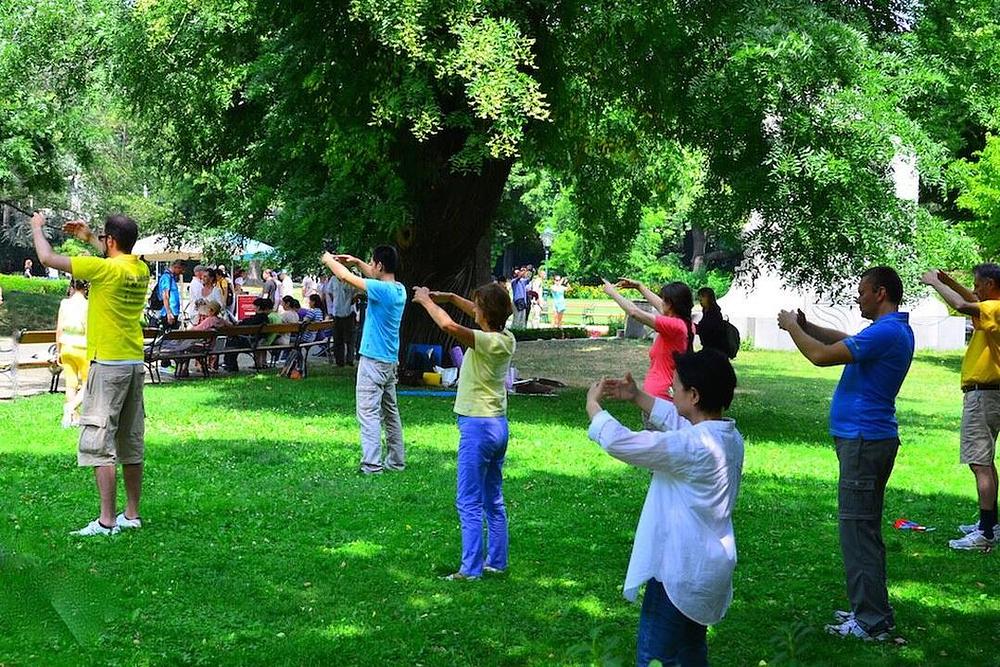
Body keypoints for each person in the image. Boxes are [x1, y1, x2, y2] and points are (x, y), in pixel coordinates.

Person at [777, 266, 913, 641]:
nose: (858, 297)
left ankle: (871, 623)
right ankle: (869, 609)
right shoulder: (890, 330)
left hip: (864, 441)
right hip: (866, 440)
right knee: (863, 528)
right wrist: (808, 325)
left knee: (858, 531)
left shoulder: (886, 331)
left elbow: (821, 356)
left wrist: (792, 328)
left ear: (880, 293)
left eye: (862, 292)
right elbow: (843, 340)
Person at [586, 350, 743, 666]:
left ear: (694, 395)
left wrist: (593, 406)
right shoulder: (728, 436)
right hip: (707, 571)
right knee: (690, 652)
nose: (672, 392)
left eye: (676, 388)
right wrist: (637, 396)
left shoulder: (692, 447)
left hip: (678, 572)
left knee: (656, 657)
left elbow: (623, 443)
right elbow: (680, 422)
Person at [30, 211, 150, 537]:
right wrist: (87, 236)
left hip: (107, 365)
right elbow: (113, 251)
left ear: (109, 241)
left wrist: (37, 227)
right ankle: (132, 514)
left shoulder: (102, 269)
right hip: (133, 364)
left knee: (100, 441)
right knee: (130, 439)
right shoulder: (140, 268)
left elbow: (46, 256)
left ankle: (106, 521)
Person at [412, 283, 516, 580]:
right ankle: (496, 562)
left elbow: (448, 325)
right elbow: (473, 311)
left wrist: (425, 301)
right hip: (498, 425)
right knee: (493, 498)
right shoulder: (506, 338)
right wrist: (446, 296)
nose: (474, 309)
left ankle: (470, 569)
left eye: (477, 306)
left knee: (468, 500)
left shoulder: (485, 341)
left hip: (477, 427)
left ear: (485, 314)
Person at [921, 264, 1000, 551]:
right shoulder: (993, 307)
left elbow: (961, 304)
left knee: (980, 464)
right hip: (991, 394)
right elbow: (970, 299)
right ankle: (990, 524)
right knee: (986, 462)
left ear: (990, 284)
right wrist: (950, 281)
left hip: (984, 396)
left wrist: (934, 283)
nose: (975, 288)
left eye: (978, 284)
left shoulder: (995, 308)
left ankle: (986, 535)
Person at [322, 246, 406, 474]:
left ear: (380, 265)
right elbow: (369, 274)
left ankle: (371, 465)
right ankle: (396, 461)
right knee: (390, 413)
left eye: (372, 262)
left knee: (368, 412)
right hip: (389, 362)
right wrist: (358, 261)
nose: (371, 265)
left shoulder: (382, 290)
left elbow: (343, 276)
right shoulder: (399, 290)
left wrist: (328, 259)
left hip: (373, 361)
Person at [603, 278, 694, 404]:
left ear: (671, 304)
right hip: (667, 395)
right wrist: (639, 286)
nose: (661, 302)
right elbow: (662, 308)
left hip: (659, 398)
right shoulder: (687, 324)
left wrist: (612, 292)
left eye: (664, 300)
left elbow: (634, 313)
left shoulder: (674, 326)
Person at [56, 280, 89, 428]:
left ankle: (73, 417)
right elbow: (88, 328)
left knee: (71, 384)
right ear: (86, 288)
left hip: (66, 346)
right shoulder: (88, 305)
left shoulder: (64, 303)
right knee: (88, 383)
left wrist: (58, 350)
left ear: (72, 286)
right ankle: (71, 408)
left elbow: (59, 328)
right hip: (82, 346)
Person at [223, 297, 275, 372]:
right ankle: (230, 364)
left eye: (254, 306)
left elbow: (242, 325)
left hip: (251, 341)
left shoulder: (256, 318)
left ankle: (230, 365)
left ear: (258, 307)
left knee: (232, 341)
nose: (253, 308)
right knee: (233, 340)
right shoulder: (265, 318)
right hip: (257, 340)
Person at [327, 273, 359, 366]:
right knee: (338, 339)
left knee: (350, 339)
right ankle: (339, 361)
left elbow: (356, 294)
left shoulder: (350, 279)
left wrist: (350, 302)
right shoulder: (333, 279)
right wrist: (336, 302)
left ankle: (350, 360)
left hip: (349, 313)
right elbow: (330, 292)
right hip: (337, 313)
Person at [696, 287, 729, 355]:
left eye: (703, 296)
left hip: (715, 350)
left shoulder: (714, 313)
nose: (700, 299)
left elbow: (707, 329)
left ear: (709, 298)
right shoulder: (706, 312)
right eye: (699, 297)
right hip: (708, 348)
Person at [157, 260, 183, 330]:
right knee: (169, 337)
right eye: (181, 270)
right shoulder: (166, 277)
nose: (182, 272)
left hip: (173, 311)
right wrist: (169, 313)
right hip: (168, 313)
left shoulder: (171, 278)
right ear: (176, 267)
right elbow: (165, 296)